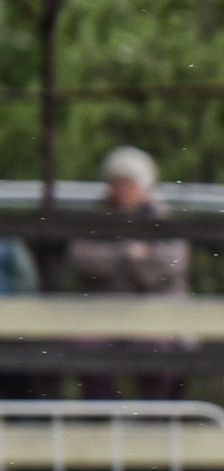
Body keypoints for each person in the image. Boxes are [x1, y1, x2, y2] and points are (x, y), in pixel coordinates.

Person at [67, 145, 190, 401]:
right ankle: (107, 414)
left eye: (129, 183)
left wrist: (125, 260)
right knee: (84, 345)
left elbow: (171, 264)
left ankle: (154, 416)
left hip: (157, 315)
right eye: (118, 182)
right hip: (103, 315)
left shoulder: (165, 219)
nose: (123, 189)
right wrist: (129, 253)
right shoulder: (95, 219)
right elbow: (82, 258)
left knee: (158, 350)